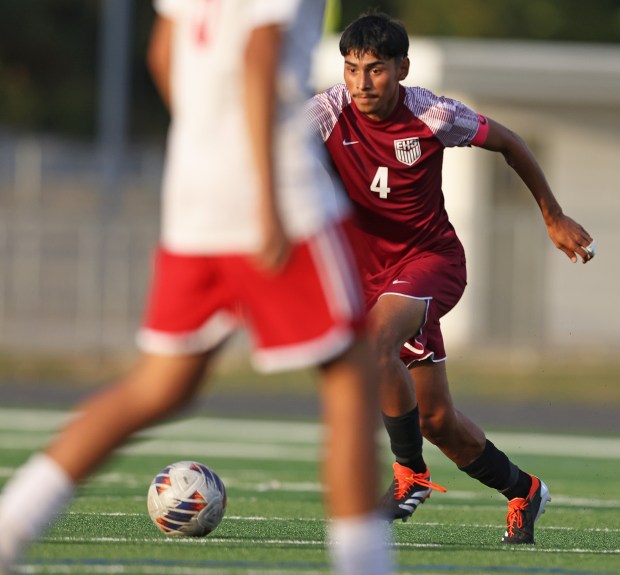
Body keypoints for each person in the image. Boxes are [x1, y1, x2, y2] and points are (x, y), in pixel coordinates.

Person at [0, 2, 394, 574]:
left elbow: (163, 53)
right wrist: (264, 199)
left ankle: (8, 530)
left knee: (159, 385)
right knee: (351, 383)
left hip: (194, 195)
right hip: (280, 190)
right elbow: (259, 53)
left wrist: (211, 147)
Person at [307, 11, 595, 544]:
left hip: (430, 263)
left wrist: (552, 216)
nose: (361, 82)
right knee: (439, 422)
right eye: (351, 69)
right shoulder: (326, 113)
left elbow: (510, 142)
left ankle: (409, 475)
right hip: (371, 281)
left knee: (374, 346)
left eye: (375, 69)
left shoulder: (433, 114)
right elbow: (277, 150)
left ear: (402, 68)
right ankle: (525, 491)